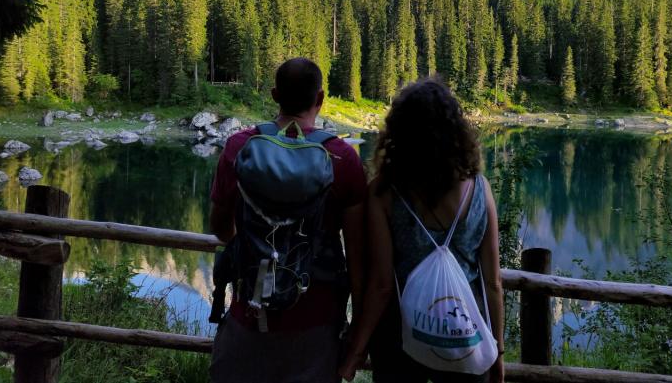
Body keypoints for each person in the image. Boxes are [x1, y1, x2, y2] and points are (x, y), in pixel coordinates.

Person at [209, 57, 367, 383]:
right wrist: (357, 339)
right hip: (316, 326)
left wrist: (259, 242)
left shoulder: (240, 147)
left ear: (274, 95)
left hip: (250, 316)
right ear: (320, 98)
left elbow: (221, 229)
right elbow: (357, 257)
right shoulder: (343, 159)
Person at [339, 78, 505, 383]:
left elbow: (381, 285)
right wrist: (498, 352)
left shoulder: (384, 193)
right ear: (455, 130)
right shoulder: (480, 189)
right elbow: (492, 282)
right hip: (463, 333)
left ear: (399, 132)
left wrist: (356, 351)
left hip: (400, 336)